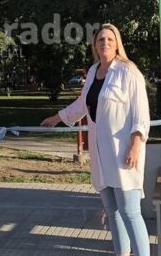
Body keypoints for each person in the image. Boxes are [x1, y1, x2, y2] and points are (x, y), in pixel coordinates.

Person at [40, 24, 151, 256]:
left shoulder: (129, 71)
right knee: (113, 211)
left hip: (123, 153)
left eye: (110, 39)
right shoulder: (92, 72)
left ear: (117, 42)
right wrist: (57, 117)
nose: (105, 43)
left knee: (130, 211)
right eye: (101, 39)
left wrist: (136, 144)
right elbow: (82, 105)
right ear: (95, 45)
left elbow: (142, 114)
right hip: (101, 156)